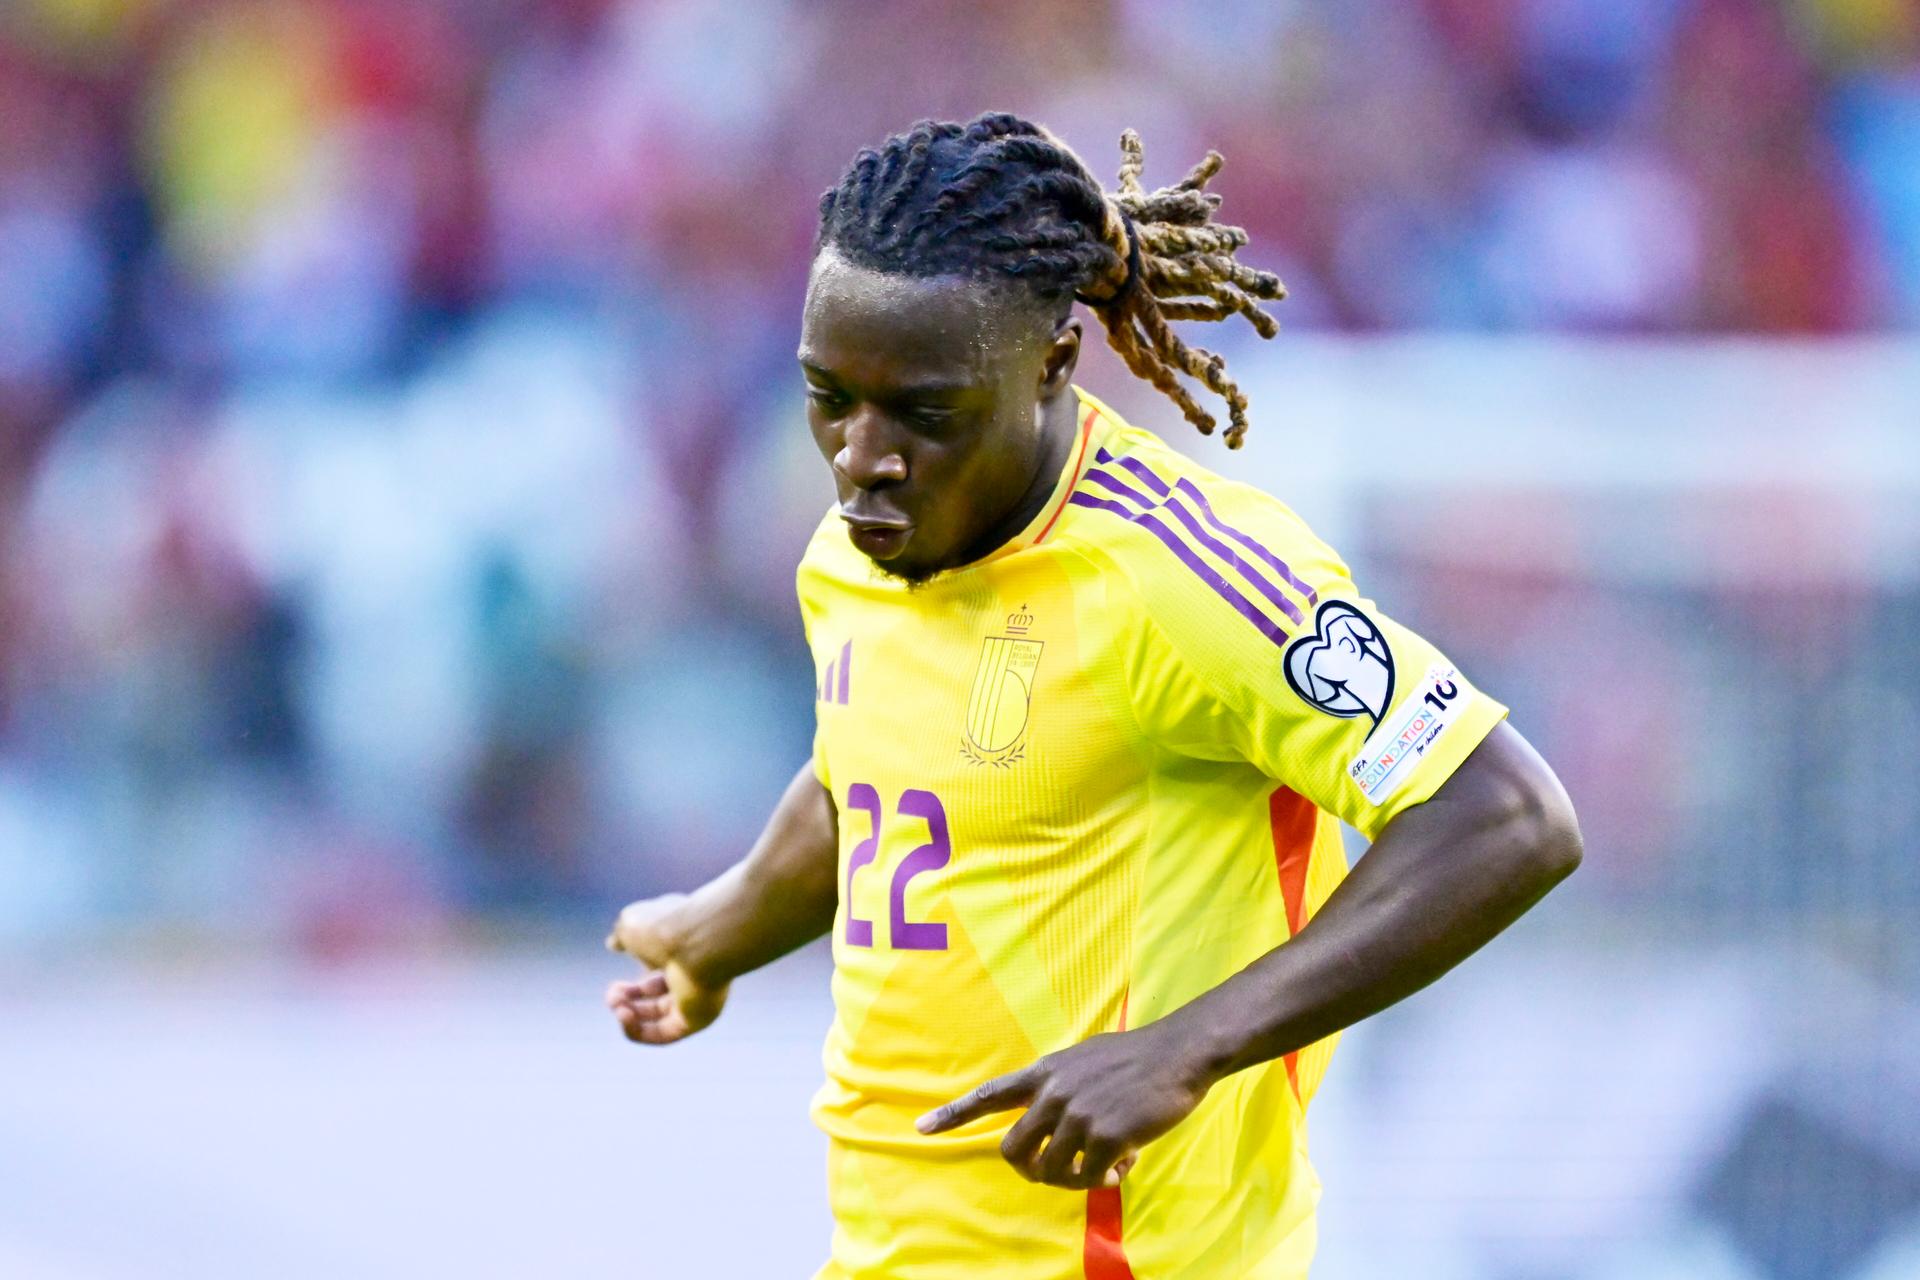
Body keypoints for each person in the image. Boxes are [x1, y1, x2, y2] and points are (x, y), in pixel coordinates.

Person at [605, 112, 1582, 1280]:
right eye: (830, 396)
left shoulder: (1183, 576)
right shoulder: (861, 547)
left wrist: (1186, 1045)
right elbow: (880, 773)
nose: (863, 455)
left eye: (926, 412)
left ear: (1054, 364)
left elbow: (1508, 814)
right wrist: (723, 925)